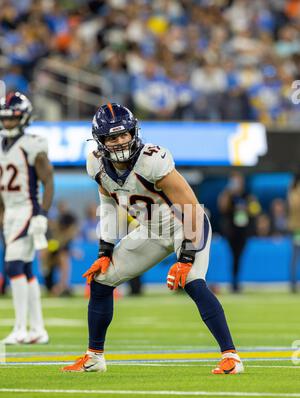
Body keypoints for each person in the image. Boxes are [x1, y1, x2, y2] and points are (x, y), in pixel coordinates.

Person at [63, 103, 244, 375]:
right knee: (101, 281)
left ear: (134, 132)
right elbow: (108, 204)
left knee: (193, 281)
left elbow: (192, 209)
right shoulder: (96, 164)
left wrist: (185, 258)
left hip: (185, 225)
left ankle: (231, 356)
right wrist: (104, 251)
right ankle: (94, 357)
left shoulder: (152, 159)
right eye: (112, 137)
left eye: (124, 134)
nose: (120, 141)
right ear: (100, 141)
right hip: (152, 231)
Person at [0, 92, 54, 344]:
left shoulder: (33, 144)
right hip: (10, 211)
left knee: (13, 266)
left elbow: (48, 180)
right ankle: (38, 329)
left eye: (13, 118)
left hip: (27, 209)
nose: (7, 122)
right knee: (25, 268)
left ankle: (21, 327)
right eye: (5, 118)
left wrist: (42, 214)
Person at [218, 172, 261, 292]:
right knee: (233, 256)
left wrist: (247, 207)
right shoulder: (228, 195)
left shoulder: (247, 196)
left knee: (239, 256)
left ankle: (236, 282)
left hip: (243, 231)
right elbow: (222, 207)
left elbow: (256, 210)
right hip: (231, 231)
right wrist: (228, 192)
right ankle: (233, 282)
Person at [287, 173, 300, 293]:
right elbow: (295, 206)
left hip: (296, 227)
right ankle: (293, 283)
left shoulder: (292, 192)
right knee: (295, 256)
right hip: (297, 228)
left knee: (295, 256)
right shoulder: (294, 193)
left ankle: (293, 283)